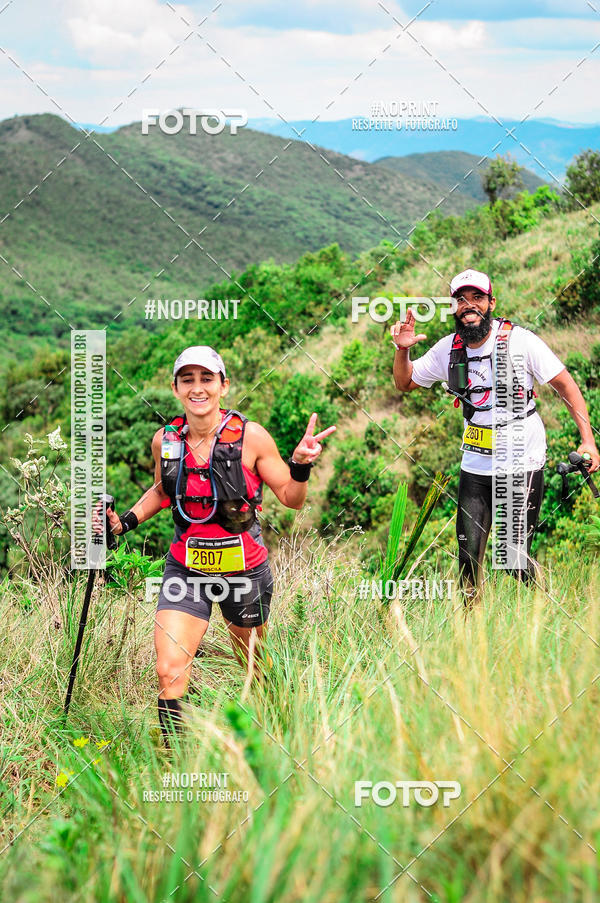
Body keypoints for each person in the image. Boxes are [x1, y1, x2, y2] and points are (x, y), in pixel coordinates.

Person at [95, 345, 335, 746]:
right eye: (187, 380)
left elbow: (291, 498)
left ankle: (279, 731)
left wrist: (301, 464)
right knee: (169, 668)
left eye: (206, 379)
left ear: (224, 385)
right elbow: (162, 489)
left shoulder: (251, 437)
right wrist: (126, 522)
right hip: (186, 570)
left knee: (253, 661)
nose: (197, 388)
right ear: (175, 388)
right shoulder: (165, 441)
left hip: (244, 570)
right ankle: (176, 762)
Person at [391, 268, 599, 602]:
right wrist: (402, 351)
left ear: (491, 303)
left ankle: (547, 606)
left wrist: (588, 440)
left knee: (513, 560)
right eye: (461, 299)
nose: (468, 305)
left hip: (522, 457)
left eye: (477, 298)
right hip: (476, 463)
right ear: (453, 307)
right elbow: (405, 382)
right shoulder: (449, 350)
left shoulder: (522, 342)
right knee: (467, 560)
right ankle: (472, 638)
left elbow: (566, 387)